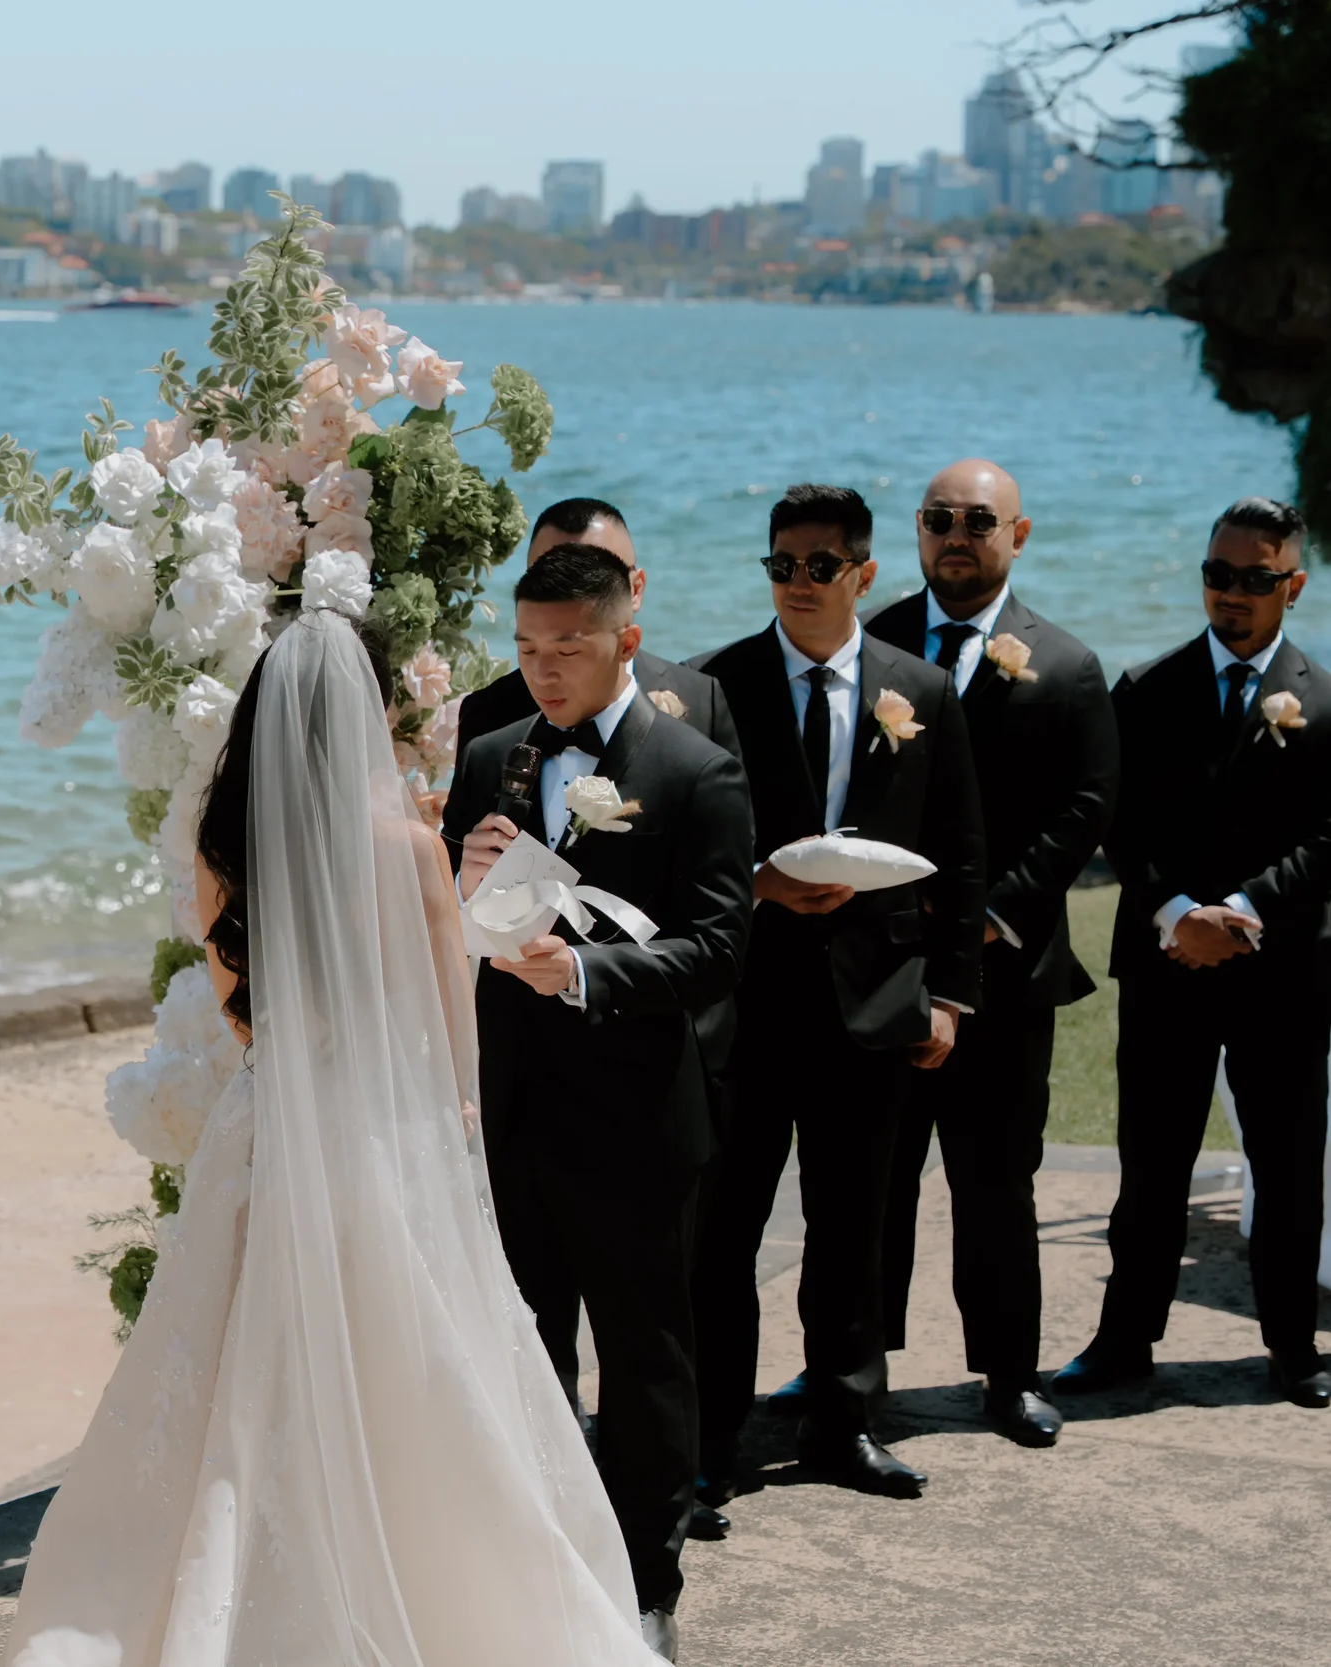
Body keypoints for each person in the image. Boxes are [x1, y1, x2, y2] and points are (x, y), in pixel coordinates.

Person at [4, 610, 668, 1667]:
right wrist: (448, 1116)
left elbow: (239, 1015)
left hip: (271, 1124)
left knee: (242, 1359)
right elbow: (454, 1019)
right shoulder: (407, 843)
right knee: (418, 1355)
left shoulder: (225, 843)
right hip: (387, 1126)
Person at [441, 548, 756, 1638]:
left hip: (637, 1117)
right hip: (516, 1105)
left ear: (624, 637)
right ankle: (534, 1562)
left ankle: (648, 1582)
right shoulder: (488, 757)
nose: (542, 670)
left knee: (644, 1363)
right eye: (526, 649)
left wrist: (585, 972)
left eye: (566, 647)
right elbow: (457, 921)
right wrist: (465, 879)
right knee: (524, 1345)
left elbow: (719, 947)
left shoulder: (695, 769)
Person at [688, 485, 986, 1506]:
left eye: (820, 564)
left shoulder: (924, 690)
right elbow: (688, 848)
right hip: (747, 1001)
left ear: (863, 571)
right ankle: (707, 1436)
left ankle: (843, 1420)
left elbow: (960, 850)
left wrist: (950, 992)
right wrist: (759, 884)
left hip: (874, 1001)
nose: (798, 582)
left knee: (856, 1224)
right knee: (721, 1230)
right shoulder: (712, 684)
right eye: (781, 563)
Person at [857, 461, 1118, 1447]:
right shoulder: (870, 640)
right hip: (887, 959)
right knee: (872, 1175)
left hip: (1006, 967)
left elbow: (1086, 807)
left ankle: (1008, 1377)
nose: (954, 536)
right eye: (937, 520)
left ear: (1019, 532)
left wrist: (988, 909)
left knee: (997, 1176)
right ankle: (854, 1372)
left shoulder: (1068, 663)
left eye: (976, 520)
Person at [1054, 497, 1331, 1409]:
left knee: (1288, 1164)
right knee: (1153, 1158)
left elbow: (1327, 838)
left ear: (1292, 583)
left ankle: (1292, 1344)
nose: (1232, 594)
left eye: (1255, 579)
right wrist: (1176, 911)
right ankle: (1124, 1337)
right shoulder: (1148, 688)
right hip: (1168, 964)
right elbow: (1120, 819)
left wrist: (1244, 910)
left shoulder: (1323, 700)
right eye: (1218, 574)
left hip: (1282, 971)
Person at [455, 497, 741, 764]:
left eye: (597, 575)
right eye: (550, 575)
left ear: (636, 589)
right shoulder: (485, 713)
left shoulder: (704, 697)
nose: (569, 593)